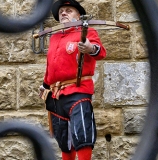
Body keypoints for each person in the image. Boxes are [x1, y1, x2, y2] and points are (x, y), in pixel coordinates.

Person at [39, 0, 106, 159]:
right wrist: (45, 85)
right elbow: (51, 66)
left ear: (78, 15)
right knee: (64, 140)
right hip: (56, 96)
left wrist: (90, 48)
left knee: (82, 135)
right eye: (62, 11)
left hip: (78, 92)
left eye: (69, 10)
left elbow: (100, 52)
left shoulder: (87, 32)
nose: (63, 13)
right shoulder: (54, 37)